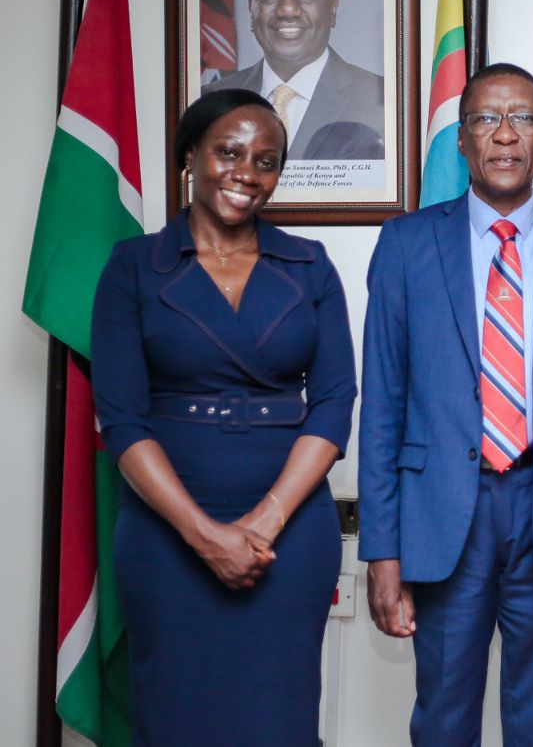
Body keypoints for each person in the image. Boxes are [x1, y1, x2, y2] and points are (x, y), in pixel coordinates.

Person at [358, 63, 533, 746]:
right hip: (446, 513)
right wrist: (381, 551)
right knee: (444, 722)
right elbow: (383, 406)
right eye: (486, 118)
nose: (506, 135)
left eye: (524, 119)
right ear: (461, 139)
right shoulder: (406, 245)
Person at [91, 88, 357, 745]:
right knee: (176, 715)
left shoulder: (311, 267)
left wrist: (262, 525)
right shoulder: (133, 267)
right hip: (167, 528)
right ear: (190, 156)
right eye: (229, 152)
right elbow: (121, 418)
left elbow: (333, 403)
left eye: (266, 161)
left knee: (280, 717)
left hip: (289, 531)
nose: (246, 173)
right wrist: (205, 534)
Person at [205, 0, 384, 160]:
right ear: (252, 10)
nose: (287, 10)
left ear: (332, 7)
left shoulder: (380, 100)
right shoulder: (209, 101)